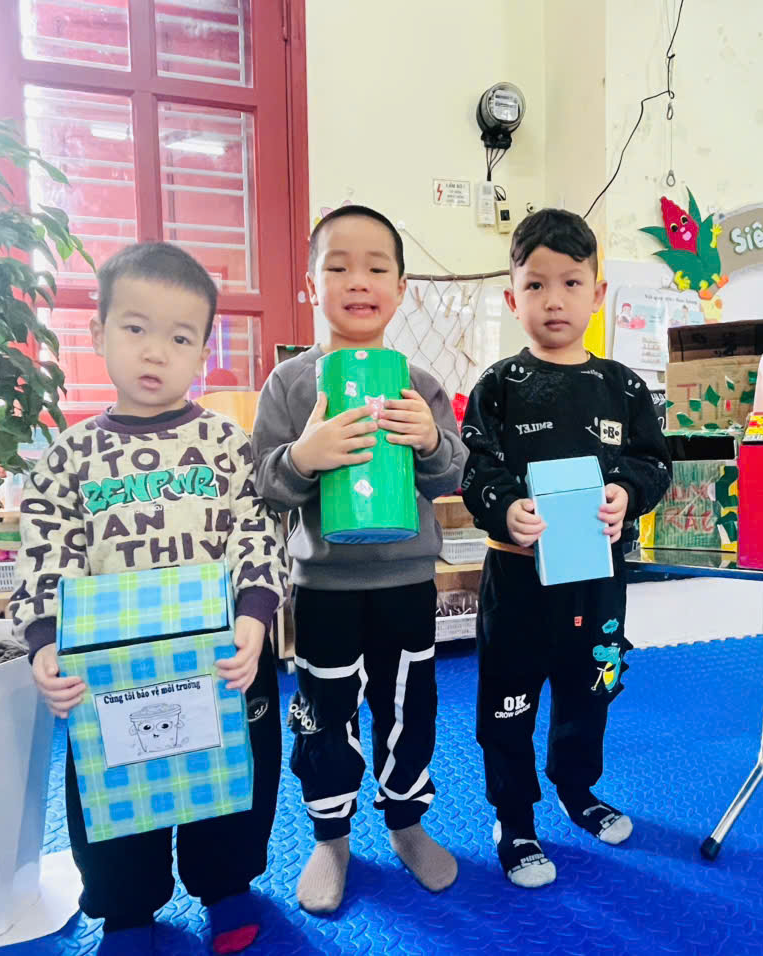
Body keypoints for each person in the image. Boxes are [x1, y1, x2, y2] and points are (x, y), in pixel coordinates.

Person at [9, 242, 289, 956]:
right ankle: (126, 908)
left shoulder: (227, 443)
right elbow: (46, 555)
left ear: (203, 351)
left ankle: (226, 885)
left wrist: (256, 616)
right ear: (97, 330)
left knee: (233, 774)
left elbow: (257, 532)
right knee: (115, 785)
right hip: (111, 665)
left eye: (180, 337)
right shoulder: (69, 458)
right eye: (135, 328)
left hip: (221, 654)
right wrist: (45, 643)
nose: (155, 351)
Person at [251, 205, 466, 914]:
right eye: (337, 266)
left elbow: (454, 474)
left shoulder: (419, 384)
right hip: (324, 585)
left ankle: (406, 821)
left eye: (377, 268)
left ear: (401, 288)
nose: (358, 281)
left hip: (407, 579)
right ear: (311, 285)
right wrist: (303, 457)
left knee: (410, 706)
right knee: (323, 710)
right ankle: (331, 835)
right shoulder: (290, 385)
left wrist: (430, 441)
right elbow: (264, 485)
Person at [460, 208, 672, 888]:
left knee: (590, 693)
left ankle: (578, 791)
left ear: (597, 294)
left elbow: (655, 463)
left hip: (596, 581)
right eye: (536, 285)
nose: (554, 300)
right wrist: (505, 507)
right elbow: (475, 468)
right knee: (508, 702)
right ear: (511, 297)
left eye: (571, 283)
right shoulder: (498, 386)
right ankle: (514, 819)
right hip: (518, 582)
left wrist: (626, 493)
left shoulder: (624, 387)